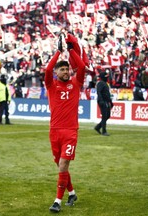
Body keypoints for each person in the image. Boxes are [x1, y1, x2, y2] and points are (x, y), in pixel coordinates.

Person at [44, 34, 86, 213]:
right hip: (54, 131)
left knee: (63, 165)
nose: (66, 72)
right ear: (57, 73)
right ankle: (72, 193)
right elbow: (47, 70)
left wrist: (70, 50)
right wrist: (58, 52)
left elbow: (82, 66)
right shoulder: (51, 85)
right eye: (62, 70)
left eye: (67, 69)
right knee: (60, 166)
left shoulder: (76, 84)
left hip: (70, 132)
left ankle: (57, 202)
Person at [94, 72, 114, 136]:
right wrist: (101, 100)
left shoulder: (105, 83)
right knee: (104, 116)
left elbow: (107, 94)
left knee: (107, 115)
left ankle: (98, 127)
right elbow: (99, 92)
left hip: (106, 101)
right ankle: (104, 131)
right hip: (103, 101)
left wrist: (110, 102)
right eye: (106, 76)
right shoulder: (100, 83)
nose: (107, 78)